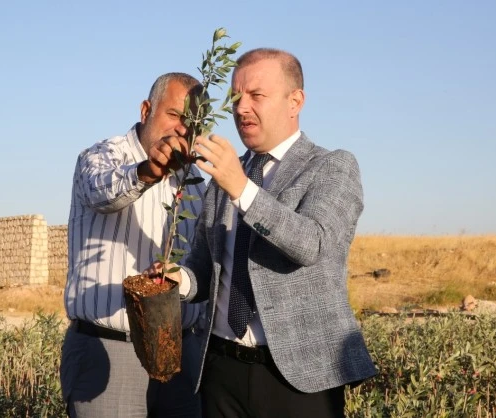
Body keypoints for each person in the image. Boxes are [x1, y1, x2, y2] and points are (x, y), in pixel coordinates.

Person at [155, 49, 377, 417]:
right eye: (236, 97)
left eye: (257, 96)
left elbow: (312, 244)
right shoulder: (226, 175)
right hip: (221, 369)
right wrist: (178, 279)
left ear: (296, 101)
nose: (241, 108)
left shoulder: (332, 166)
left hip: (298, 377)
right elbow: (204, 272)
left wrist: (242, 189)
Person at [60, 72, 207, 417]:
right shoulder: (101, 157)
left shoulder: (196, 182)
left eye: (192, 122)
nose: (181, 129)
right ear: (146, 109)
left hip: (182, 358)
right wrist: (146, 171)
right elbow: (102, 191)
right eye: (173, 115)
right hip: (110, 350)